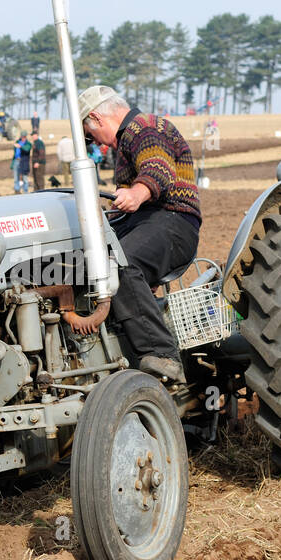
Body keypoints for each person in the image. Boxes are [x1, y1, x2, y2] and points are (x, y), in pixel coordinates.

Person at [76, 85, 200, 384]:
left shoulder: (145, 127)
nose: (95, 143)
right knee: (80, 264)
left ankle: (163, 355)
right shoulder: (126, 140)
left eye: (89, 135)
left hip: (173, 220)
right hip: (144, 221)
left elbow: (158, 168)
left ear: (97, 118)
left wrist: (137, 192)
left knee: (121, 262)